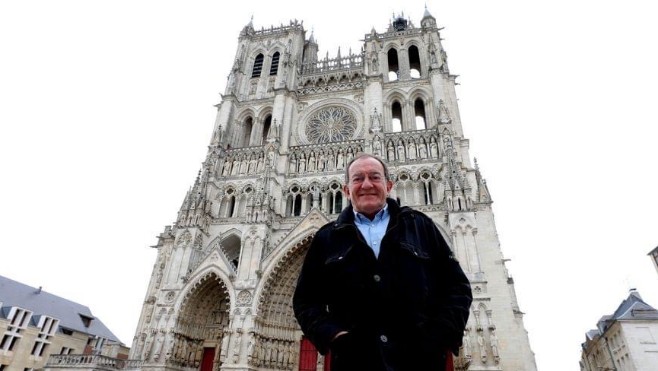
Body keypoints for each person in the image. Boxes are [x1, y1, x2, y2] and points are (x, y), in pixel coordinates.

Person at [293, 153, 472, 371]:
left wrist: (440, 336)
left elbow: (457, 288)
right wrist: (335, 336)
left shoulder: (420, 226)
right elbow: (305, 301)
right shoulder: (326, 238)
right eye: (358, 178)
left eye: (374, 177)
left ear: (389, 186)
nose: (366, 184)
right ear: (346, 190)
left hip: (421, 363)